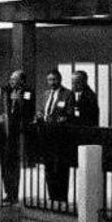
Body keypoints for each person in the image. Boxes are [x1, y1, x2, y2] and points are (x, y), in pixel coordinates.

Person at [0, 69, 35, 203]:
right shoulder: (6, 91)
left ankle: (14, 193)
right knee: (5, 163)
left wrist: (19, 99)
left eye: (15, 79)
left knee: (13, 164)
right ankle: (8, 191)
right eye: (11, 79)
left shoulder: (28, 92)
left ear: (21, 81)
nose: (11, 81)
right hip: (4, 132)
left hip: (17, 133)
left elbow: (28, 110)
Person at [38, 68, 72, 202]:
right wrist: (40, 115)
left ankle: (61, 197)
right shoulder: (46, 94)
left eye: (54, 79)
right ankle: (52, 196)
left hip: (60, 138)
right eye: (49, 80)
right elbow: (42, 110)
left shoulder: (68, 94)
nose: (51, 82)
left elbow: (69, 114)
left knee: (61, 169)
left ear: (60, 79)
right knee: (49, 167)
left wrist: (58, 120)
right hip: (46, 137)